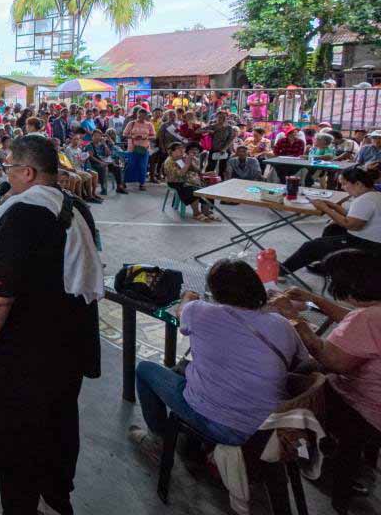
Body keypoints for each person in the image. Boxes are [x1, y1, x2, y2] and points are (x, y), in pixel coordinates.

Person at [0, 135, 101, 515]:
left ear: (27, 172)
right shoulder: (75, 206)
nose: (6, 176)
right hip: (69, 347)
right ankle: (56, 500)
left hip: (28, 354)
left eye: (9, 168)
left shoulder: (24, 215)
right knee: (57, 426)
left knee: (13, 439)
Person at [128, 259, 306, 461]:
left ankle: (157, 441)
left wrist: (187, 296)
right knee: (186, 368)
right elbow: (300, 362)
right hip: (264, 430)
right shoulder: (283, 324)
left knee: (145, 370)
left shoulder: (198, 311)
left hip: (218, 424)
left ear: (215, 293)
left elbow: (182, 312)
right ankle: (192, 447)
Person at [276, 250, 381, 511]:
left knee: (288, 383)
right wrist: (314, 299)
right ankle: (338, 454)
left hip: (367, 409)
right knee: (306, 367)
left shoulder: (366, 319)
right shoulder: (372, 312)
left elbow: (333, 362)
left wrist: (293, 318)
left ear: (348, 284)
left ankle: (305, 451)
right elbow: (352, 316)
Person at [282, 166, 381, 275]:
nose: (343, 187)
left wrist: (325, 208)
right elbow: (352, 215)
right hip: (370, 241)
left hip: (369, 246)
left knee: (311, 246)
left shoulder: (366, 200)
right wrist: (332, 205)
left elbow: (351, 225)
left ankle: (281, 271)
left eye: (344, 184)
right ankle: (328, 264)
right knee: (332, 228)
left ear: (358, 184)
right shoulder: (374, 195)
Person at [164, 142, 219, 221]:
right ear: (171, 151)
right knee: (192, 190)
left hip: (189, 180)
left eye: (182, 148)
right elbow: (179, 175)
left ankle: (206, 211)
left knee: (207, 188)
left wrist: (203, 172)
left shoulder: (183, 158)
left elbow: (196, 170)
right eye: (178, 149)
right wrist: (187, 164)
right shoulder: (169, 161)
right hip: (176, 182)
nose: (182, 150)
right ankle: (196, 213)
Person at [122, 108, 155, 191]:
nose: (141, 118)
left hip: (144, 148)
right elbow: (124, 134)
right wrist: (133, 137)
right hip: (132, 148)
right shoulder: (131, 123)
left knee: (143, 166)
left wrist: (146, 137)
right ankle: (124, 182)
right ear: (137, 115)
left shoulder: (149, 124)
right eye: (140, 116)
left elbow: (154, 136)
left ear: (146, 116)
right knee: (130, 165)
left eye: (143, 116)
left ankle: (142, 183)